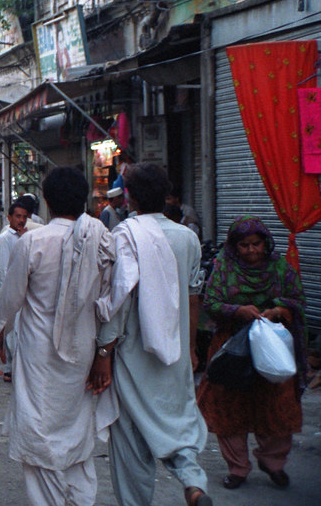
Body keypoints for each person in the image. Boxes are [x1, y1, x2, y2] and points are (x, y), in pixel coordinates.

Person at [0, 168, 115, 506]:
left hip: (39, 354)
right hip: (84, 349)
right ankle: (81, 498)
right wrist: (104, 354)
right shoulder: (101, 239)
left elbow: (9, 300)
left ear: (47, 201)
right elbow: (115, 303)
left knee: (39, 431)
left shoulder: (34, 242)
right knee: (76, 427)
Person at [90, 163, 211, 506]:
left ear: (129, 197)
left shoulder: (124, 235)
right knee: (177, 425)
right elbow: (192, 297)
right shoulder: (187, 237)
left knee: (130, 438)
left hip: (133, 355)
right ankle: (192, 483)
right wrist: (189, 347)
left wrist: (103, 354)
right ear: (167, 195)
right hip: (173, 352)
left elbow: (118, 303)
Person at [196, 216, 306, 490]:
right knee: (228, 409)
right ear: (235, 247)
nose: (251, 250)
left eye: (256, 244)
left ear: (265, 243)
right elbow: (210, 302)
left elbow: (297, 299)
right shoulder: (224, 267)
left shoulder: (280, 268)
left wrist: (279, 311)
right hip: (232, 348)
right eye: (244, 245)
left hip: (273, 349)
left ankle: (273, 463)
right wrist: (238, 311)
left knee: (277, 407)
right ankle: (237, 468)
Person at [0, 199, 31, 379]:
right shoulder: (5, 238)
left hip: (23, 291)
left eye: (24, 217)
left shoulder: (25, 237)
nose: (21, 220)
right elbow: (4, 271)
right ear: (9, 218)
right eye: (18, 216)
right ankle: (10, 368)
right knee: (11, 332)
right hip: (11, 291)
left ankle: (16, 367)